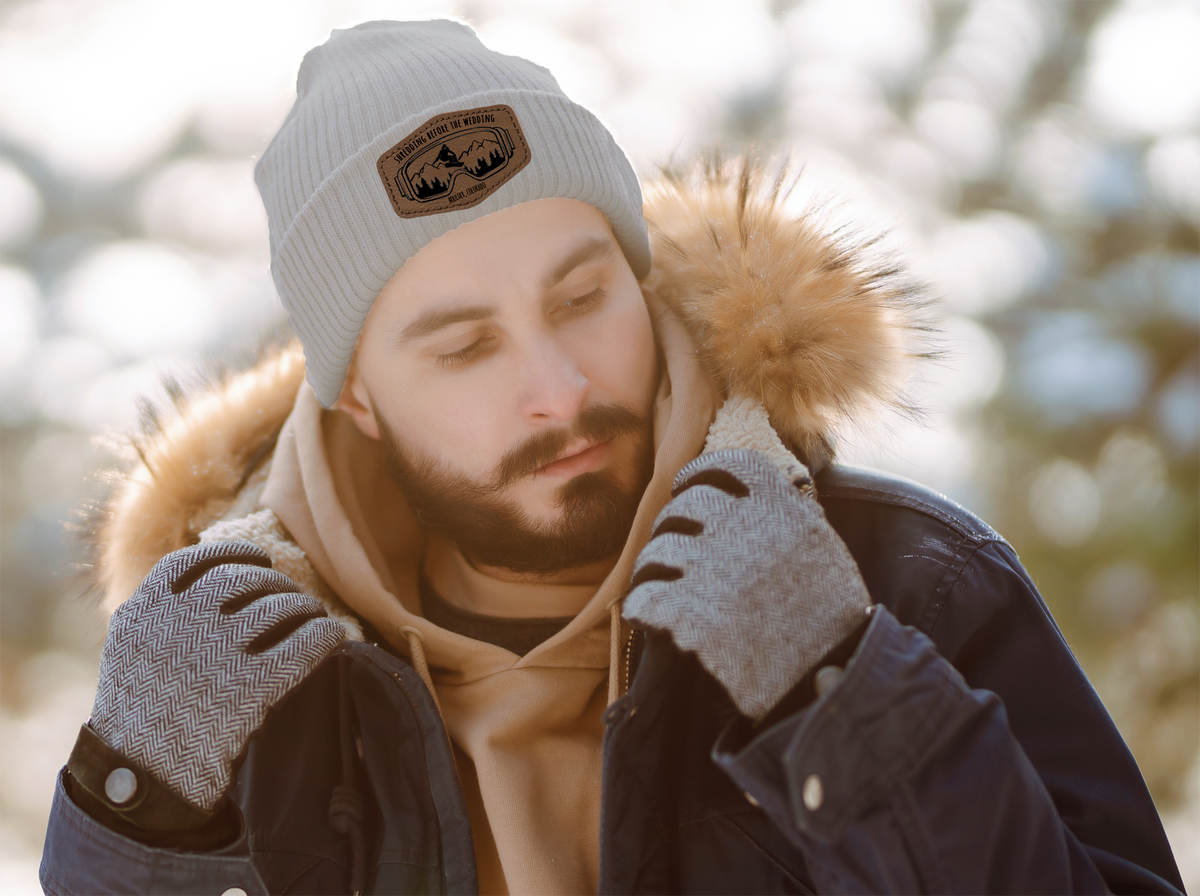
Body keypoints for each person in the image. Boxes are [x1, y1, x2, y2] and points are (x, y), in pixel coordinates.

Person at [39, 19, 1185, 896]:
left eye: (584, 295)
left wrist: (839, 694)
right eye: (466, 346)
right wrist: (136, 814)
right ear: (359, 401)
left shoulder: (905, 583)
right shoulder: (231, 674)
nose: (560, 386)